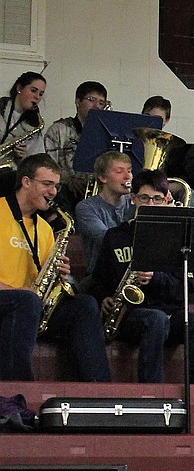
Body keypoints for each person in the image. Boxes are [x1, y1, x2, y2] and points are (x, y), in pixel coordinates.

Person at [91, 170, 194, 384]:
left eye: (157, 198)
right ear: (133, 198)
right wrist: (103, 297)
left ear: (167, 199)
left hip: (170, 313)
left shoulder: (179, 240)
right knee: (155, 320)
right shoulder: (116, 236)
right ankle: (151, 391)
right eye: (144, 198)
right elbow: (98, 279)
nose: (150, 203)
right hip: (130, 315)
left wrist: (156, 278)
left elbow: (187, 290)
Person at [0, 153, 110, 381]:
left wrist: (58, 278)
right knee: (27, 300)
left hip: (27, 306)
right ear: (26, 181)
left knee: (85, 304)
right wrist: (18, 293)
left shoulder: (45, 228)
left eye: (56, 186)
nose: (53, 192)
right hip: (11, 300)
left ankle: (98, 391)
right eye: (47, 184)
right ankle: (19, 390)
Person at [43, 81, 107, 213]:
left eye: (101, 103)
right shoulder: (58, 129)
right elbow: (49, 165)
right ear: (78, 102)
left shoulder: (105, 135)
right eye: (91, 100)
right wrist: (71, 180)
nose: (97, 106)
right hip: (64, 190)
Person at [74, 151, 133, 275]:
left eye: (129, 170)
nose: (127, 176)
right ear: (102, 177)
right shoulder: (86, 208)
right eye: (119, 171)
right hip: (101, 276)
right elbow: (107, 240)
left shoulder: (136, 202)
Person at [0, 72, 47, 164]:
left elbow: (37, 160)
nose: (37, 97)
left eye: (41, 94)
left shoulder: (35, 126)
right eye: (33, 90)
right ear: (19, 88)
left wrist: (20, 157)